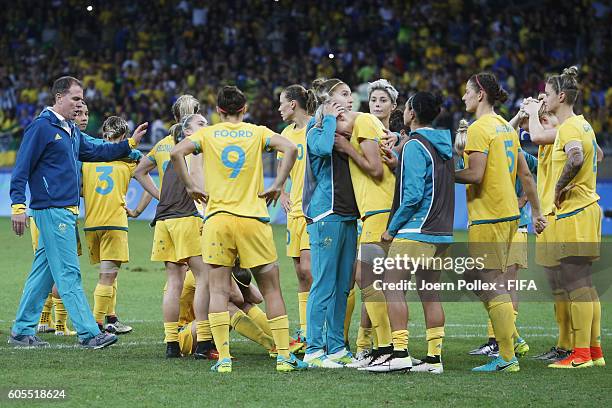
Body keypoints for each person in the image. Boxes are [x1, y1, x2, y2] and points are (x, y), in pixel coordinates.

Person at [171, 85, 305, 373]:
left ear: (219, 111)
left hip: (218, 221)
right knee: (271, 290)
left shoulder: (207, 134)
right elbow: (290, 148)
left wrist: (191, 186)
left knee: (218, 290)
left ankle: (224, 359)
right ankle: (283, 357)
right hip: (253, 219)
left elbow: (176, 154)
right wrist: (279, 183)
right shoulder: (258, 132)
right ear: (244, 109)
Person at [9, 76, 147, 349]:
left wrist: (128, 145)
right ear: (59, 98)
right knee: (69, 273)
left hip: (65, 211)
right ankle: (89, 333)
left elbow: (96, 149)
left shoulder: (70, 132)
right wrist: (17, 205)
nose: (80, 104)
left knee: (43, 273)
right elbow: (21, 167)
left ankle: (22, 330)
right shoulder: (41, 128)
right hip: (52, 209)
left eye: (82, 99)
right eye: (75, 99)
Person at [455, 72, 545, 372]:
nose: (463, 96)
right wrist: (536, 211)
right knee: (478, 279)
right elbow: (526, 175)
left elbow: (474, 174)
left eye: (467, 92)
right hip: (508, 216)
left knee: (489, 284)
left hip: (488, 215)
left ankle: (507, 355)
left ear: (480, 94)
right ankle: (512, 338)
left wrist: (443, 172)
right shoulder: (505, 128)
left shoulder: (480, 129)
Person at [372, 92, 454, 373]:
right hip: (441, 232)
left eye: (406, 107)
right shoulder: (445, 144)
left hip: (415, 229)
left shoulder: (414, 145)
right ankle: (433, 359)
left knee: (391, 286)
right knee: (430, 293)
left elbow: (413, 196)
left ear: (412, 114)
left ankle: (400, 354)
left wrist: (391, 228)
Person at [542, 67, 604, 369]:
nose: (544, 98)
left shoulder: (567, 127)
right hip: (590, 208)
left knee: (574, 282)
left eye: (548, 93)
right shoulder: (584, 124)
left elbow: (576, 157)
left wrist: (558, 187)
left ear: (561, 96)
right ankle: (593, 351)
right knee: (586, 284)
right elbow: (597, 154)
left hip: (575, 211)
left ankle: (579, 355)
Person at [301, 78, 360, 368]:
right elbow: (324, 149)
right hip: (326, 214)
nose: (351, 99)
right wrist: (327, 116)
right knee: (323, 284)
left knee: (342, 285)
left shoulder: (347, 128)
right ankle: (313, 349)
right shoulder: (316, 128)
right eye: (345, 95)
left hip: (349, 214)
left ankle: (336, 347)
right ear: (329, 99)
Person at [145, 113, 213, 359]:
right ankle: (204, 341)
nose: (207, 127)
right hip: (186, 217)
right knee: (204, 276)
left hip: (164, 219)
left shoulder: (175, 154)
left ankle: (172, 343)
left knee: (174, 282)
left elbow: (141, 171)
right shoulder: (196, 151)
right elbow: (202, 187)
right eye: (201, 124)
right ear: (186, 131)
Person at [82, 116, 151, 335]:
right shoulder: (130, 159)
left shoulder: (88, 157)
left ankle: (111, 318)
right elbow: (148, 184)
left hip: (91, 223)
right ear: (124, 137)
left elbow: (80, 189)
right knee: (108, 275)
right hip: (114, 223)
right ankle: (96, 327)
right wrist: (138, 211)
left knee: (109, 273)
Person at [277, 84, 315, 349]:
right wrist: (280, 191)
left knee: (310, 271)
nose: (278, 108)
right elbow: (282, 168)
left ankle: (315, 329)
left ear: (293, 104)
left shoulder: (316, 128)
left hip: (313, 211)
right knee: (300, 275)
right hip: (294, 213)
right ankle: (304, 331)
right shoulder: (286, 134)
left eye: (281, 103)